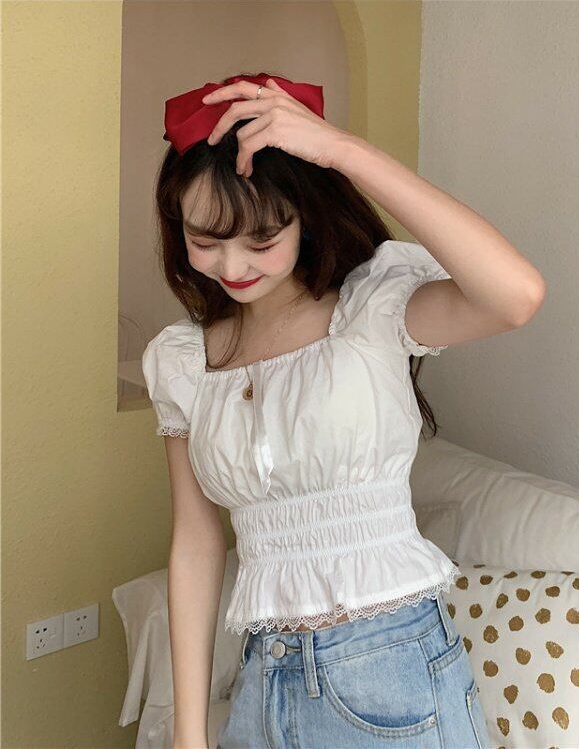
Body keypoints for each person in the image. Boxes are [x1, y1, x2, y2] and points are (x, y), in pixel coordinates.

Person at [142, 71, 546, 749]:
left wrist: (344, 151)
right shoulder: (183, 361)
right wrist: (189, 731)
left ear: (306, 215)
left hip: (391, 674)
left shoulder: (370, 310)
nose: (232, 266)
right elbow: (197, 541)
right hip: (264, 679)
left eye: (261, 240)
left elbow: (516, 296)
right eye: (205, 239)